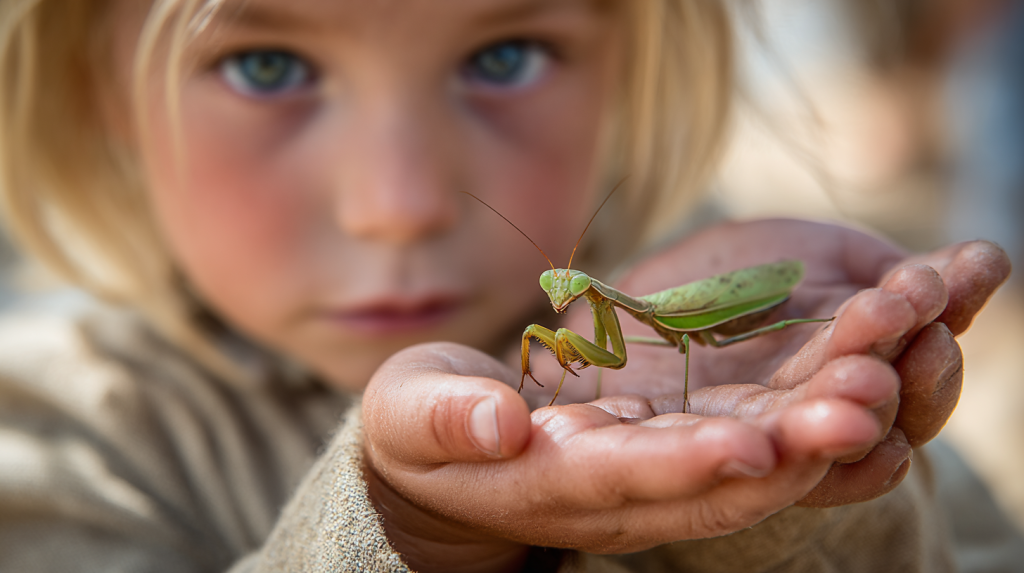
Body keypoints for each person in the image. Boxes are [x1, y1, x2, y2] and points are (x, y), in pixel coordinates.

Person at [0, 1, 1013, 571]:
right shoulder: (53, 435)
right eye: (264, 65)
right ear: (94, 99)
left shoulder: (711, 306)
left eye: (505, 53)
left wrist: (789, 518)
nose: (398, 204)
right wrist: (416, 528)